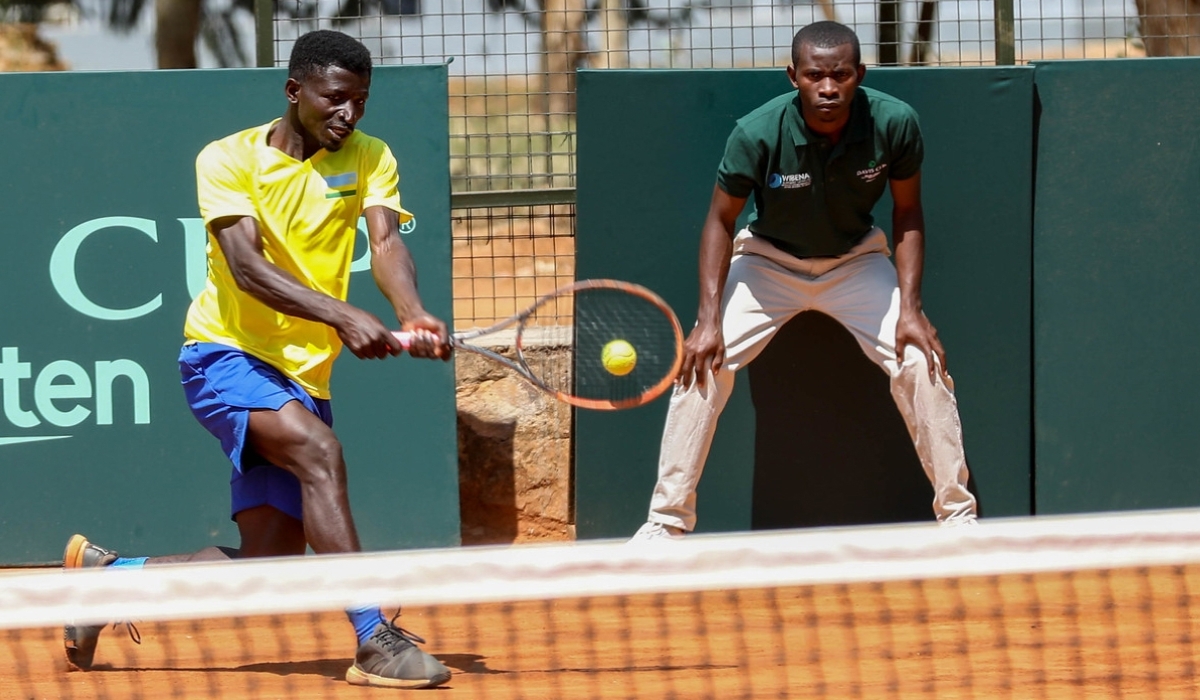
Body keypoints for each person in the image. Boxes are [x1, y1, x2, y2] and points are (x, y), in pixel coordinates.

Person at [63, 29, 454, 689]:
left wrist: (410, 312)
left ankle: (107, 582)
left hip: (304, 372)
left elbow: (386, 243)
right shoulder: (227, 159)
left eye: (359, 101)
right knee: (321, 454)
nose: (348, 115)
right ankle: (374, 640)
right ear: (294, 90)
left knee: (265, 563)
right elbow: (246, 267)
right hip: (224, 355)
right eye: (335, 99)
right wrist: (343, 314)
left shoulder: (370, 156)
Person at [630, 21, 978, 542]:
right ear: (793, 76)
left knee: (919, 361)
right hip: (768, 262)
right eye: (815, 75)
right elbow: (719, 221)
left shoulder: (895, 123)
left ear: (859, 73)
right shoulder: (756, 131)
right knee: (702, 364)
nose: (829, 87)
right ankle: (665, 524)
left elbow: (908, 213)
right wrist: (707, 322)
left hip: (856, 260)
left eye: (841, 74)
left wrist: (911, 308)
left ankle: (959, 519)